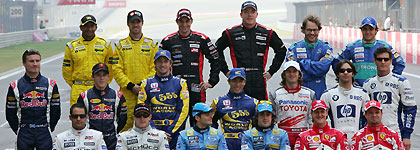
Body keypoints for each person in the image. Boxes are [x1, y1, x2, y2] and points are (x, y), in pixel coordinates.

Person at [215, 1, 287, 100]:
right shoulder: (230, 32)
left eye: (252, 12)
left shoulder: (267, 32)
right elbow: (216, 51)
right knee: (239, 111)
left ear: (256, 14)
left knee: (261, 110)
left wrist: (271, 71)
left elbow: (282, 51)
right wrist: (226, 71)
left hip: (259, 80)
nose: (249, 15)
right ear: (241, 14)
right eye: (246, 12)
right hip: (239, 79)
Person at [160, 8, 221, 126]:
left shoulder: (201, 39)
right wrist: (163, 84)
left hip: (196, 88)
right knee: (175, 124)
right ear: (176, 22)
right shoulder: (168, 41)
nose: (184, 24)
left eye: (187, 21)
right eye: (181, 21)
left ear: (191, 21)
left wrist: (211, 82)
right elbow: (157, 64)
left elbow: (216, 59)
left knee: (199, 124)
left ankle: (199, 145)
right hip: (175, 88)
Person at [113, 10, 159, 132]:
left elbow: (155, 68)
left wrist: (142, 86)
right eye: (132, 22)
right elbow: (116, 69)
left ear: (142, 23)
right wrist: (130, 86)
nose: (135, 25)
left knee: (147, 127)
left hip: (147, 93)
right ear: (128, 24)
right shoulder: (120, 45)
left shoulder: (152, 45)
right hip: (127, 94)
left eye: (138, 22)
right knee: (125, 128)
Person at [363, 47, 416, 150]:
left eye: (386, 59)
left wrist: (406, 135)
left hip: (395, 132)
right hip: (372, 134)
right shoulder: (368, 84)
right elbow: (363, 112)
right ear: (375, 61)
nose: (383, 62)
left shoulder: (401, 82)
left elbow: (410, 109)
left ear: (391, 61)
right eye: (379, 59)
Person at [6, 49, 61, 150]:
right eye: (31, 61)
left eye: (37, 61)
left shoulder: (51, 84)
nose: (35, 64)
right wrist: (17, 129)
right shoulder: (15, 86)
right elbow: (10, 112)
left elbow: (56, 110)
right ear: (24, 63)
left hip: (43, 130)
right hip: (24, 131)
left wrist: (51, 126)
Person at [137, 50, 189, 149]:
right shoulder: (145, 84)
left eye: (165, 62)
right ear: (155, 64)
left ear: (170, 64)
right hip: (151, 133)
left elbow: (183, 110)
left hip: (174, 133)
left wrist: (171, 132)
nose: (162, 64)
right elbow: (142, 110)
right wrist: (155, 132)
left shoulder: (181, 83)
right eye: (159, 61)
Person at [332, 16, 405, 86]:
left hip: (377, 89)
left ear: (376, 31)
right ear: (361, 30)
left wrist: (390, 80)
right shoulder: (353, 47)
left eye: (370, 29)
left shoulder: (384, 46)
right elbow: (336, 61)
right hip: (357, 90)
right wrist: (343, 79)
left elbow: (399, 63)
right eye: (365, 29)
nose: (367, 32)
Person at [62, 14, 114, 106]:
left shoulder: (105, 45)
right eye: (86, 26)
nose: (89, 29)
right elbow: (66, 71)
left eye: (92, 26)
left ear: (96, 27)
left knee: (99, 117)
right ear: (81, 27)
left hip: (98, 88)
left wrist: (102, 85)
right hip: (78, 88)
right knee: (78, 119)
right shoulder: (72, 46)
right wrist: (75, 86)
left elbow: (111, 69)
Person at [77, 63, 127, 150]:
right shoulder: (84, 96)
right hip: (91, 140)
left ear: (108, 77)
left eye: (104, 75)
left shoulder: (118, 95)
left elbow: (123, 119)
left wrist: (113, 132)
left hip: (111, 140)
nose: (101, 78)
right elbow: (80, 119)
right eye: (98, 75)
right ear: (92, 77)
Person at [268, 61, 315, 149]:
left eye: (294, 71)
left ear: (299, 74)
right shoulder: (275, 94)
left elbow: (312, 119)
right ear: (284, 75)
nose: (291, 74)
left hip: (303, 136)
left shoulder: (310, 94)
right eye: (288, 71)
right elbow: (272, 119)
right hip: (282, 136)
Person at [320, 59, 370, 141]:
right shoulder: (327, 94)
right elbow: (321, 120)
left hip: (357, 141)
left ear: (353, 73)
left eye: (349, 70)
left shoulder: (362, 93)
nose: (345, 73)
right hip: (336, 141)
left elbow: (368, 118)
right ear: (337, 74)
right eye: (342, 70)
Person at [286, 15, 333, 99]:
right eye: (309, 30)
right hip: (299, 94)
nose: (312, 33)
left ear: (319, 30)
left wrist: (303, 63)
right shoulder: (294, 48)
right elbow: (292, 73)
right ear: (303, 30)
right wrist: (316, 70)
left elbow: (323, 68)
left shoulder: (326, 47)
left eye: (315, 30)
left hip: (319, 93)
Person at [211, 68, 258, 150]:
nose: (237, 84)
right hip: (226, 144)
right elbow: (210, 122)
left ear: (244, 82)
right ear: (229, 82)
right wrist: (216, 138)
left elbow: (259, 125)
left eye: (240, 81)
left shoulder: (253, 103)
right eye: (234, 81)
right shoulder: (218, 102)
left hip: (246, 143)